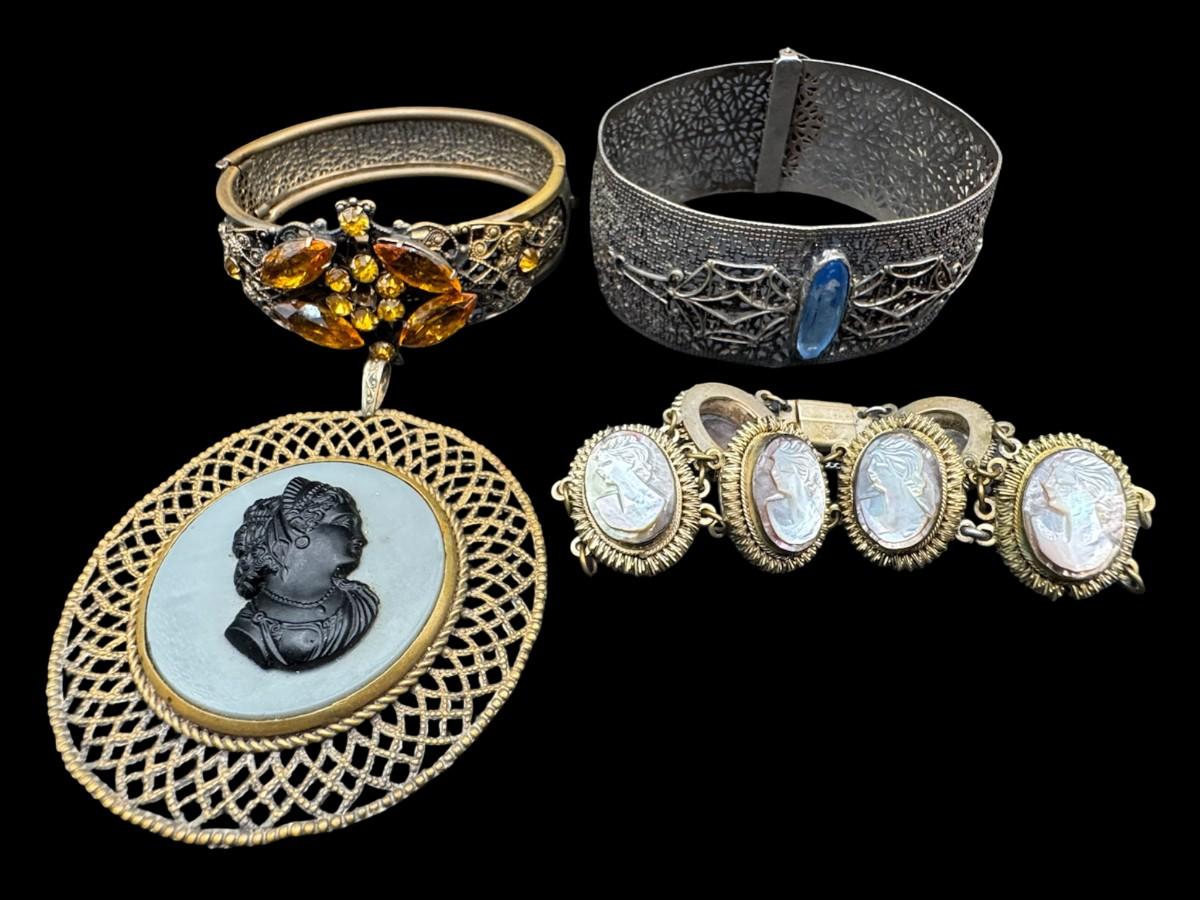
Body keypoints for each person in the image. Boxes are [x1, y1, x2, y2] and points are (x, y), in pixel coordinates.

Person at [225, 476, 379, 670]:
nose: (360, 538)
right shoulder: (251, 630)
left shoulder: (360, 601)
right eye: (346, 524)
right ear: (298, 535)